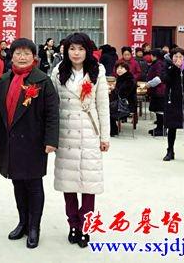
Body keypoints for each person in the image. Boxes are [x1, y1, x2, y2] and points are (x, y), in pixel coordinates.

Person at [0, 38, 59, 249]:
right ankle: (23, 222)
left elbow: (52, 114)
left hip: (34, 142)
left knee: (34, 184)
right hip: (10, 141)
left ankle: (34, 227)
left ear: (34, 56)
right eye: (18, 53)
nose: (22, 57)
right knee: (17, 182)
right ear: (12, 56)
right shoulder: (4, 81)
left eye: (27, 53)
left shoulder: (42, 81)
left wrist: (51, 140)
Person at [51, 32, 109, 249]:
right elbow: (52, 106)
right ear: (66, 50)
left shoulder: (98, 71)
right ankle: (72, 224)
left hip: (89, 132)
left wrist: (104, 136)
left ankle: (86, 226)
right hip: (65, 133)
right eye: (72, 49)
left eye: (80, 49)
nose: (76, 53)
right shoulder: (58, 71)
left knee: (89, 183)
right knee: (69, 183)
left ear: (88, 50)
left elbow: (102, 105)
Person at [108, 62, 137, 137]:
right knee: (106, 107)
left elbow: (122, 94)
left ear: (126, 69)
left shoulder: (129, 79)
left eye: (121, 68)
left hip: (126, 105)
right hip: (120, 102)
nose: (119, 70)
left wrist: (114, 89)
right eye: (117, 68)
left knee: (106, 109)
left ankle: (113, 130)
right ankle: (113, 129)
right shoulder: (121, 78)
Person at [146, 49, 167, 137]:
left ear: (155, 56)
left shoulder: (158, 64)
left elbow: (159, 78)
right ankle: (158, 128)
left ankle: (162, 129)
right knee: (158, 110)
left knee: (160, 110)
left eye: (151, 55)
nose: (150, 57)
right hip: (157, 90)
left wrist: (149, 84)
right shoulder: (158, 63)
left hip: (160, 91)